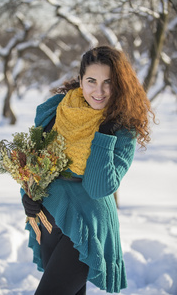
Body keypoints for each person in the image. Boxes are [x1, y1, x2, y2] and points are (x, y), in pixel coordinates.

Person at [21, 45, 155, 294]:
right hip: (51, 216)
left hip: (89, 225)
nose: (99, 91)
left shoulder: (122, 127)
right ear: (80, 80)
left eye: (109, 82)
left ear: (120, 84)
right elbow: (34, 164)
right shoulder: (57, 110)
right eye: (92, 80)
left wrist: (104, 136)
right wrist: (27, 196)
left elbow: (99, 188)